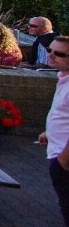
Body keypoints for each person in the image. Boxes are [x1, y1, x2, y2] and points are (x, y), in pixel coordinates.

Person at [38, 35, 69, 225]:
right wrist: (49, 132)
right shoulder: (63, 77)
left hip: (64, 159)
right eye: (50, 50)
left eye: (58, 53)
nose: (51, 56)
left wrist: (64, 160)